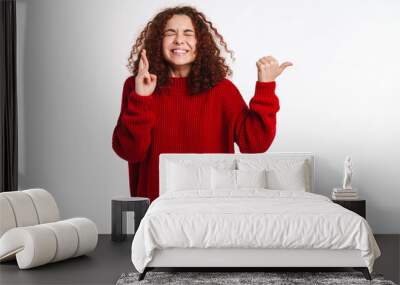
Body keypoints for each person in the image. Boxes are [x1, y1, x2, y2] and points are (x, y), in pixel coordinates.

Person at [112, 5, 293, 202]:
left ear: (200, 43)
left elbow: (255, 144)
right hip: (157, 210)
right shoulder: (138, 85)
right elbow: (130, 151)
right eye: (170, 33)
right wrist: (141, 98)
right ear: (158, 42)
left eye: (188, 33)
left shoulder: (222, 90)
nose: (179, 40)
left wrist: (265, 87)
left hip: (213, 209)